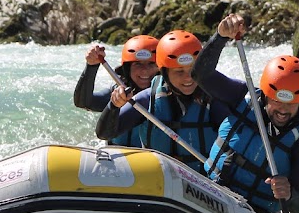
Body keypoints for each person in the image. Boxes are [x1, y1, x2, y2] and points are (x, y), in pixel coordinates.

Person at [193, 13, 299, 213]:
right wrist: (220, 37)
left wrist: (290, 195)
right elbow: (201, 75)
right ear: (264, 95)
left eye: (291, 104)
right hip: (207, 194)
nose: (283, 110)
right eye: (277, 101)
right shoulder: (243, 97)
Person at [96, 31, 227, 171]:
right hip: (158, 179)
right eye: (179, 71)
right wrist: (114, 106)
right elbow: (104, 133)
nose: (188, 78)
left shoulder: (213, 100)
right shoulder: (147, 99)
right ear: (164, 72)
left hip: (203, 184)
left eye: (192, 70)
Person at [74, 35, 159, 146]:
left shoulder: (166, 96)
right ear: (128, 69)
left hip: (154, 160)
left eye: (151, 64)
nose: (144, 71)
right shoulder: (118, 92)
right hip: (118, 160)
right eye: (138, 64)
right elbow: (84, 102)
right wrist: (91, 66)